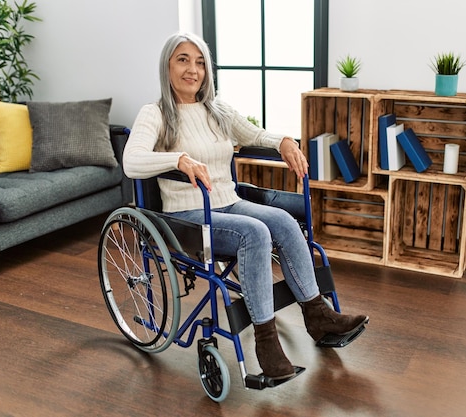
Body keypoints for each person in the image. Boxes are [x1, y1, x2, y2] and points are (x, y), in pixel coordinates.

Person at [123, 31, 368, 380]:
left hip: (228, 203)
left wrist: (284, 142)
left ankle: (319, 316)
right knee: (254, 233)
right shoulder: (156, 113)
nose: (192, 69)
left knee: (282, 221)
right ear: (167, 66)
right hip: (186, 216)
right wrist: (178, 160)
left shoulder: (216, 109)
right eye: (182, 60)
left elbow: (253, 134)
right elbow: (132, 162)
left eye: (199, 62)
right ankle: (267, 345)